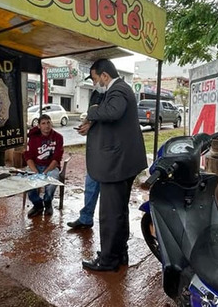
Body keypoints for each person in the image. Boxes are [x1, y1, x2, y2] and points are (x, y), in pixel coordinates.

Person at [80, 58, 147, 272]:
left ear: (105, 75)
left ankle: (109, 259)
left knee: (110, 214)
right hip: (122, 163)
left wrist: (91, 112)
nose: (94, 83)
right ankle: (119, 253)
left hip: (116, 166)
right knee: (118, 212)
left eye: (94, 78)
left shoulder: (117, 90)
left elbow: (113, 112)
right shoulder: (120, 89)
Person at [67, 88, 104, 230]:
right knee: (90, 186)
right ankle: (86, 218)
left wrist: (91, 125)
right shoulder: (97, 92)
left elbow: (107, 120)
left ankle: (107, 230)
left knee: (108, 197)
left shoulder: (115, 95)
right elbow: (92, 116)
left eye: (95, 78)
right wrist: (87, 125)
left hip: (108, 154)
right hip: (95, 152)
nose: (94, 83)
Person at [23, 114, 64, 217]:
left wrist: (45, 172)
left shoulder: (58, 137)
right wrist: (35, 171)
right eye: (43, 123)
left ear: (52, 123)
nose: (46, 126)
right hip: (36, 166)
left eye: (48, 122)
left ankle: (48, 202)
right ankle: (37, 205)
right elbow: (28, 157)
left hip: (51, 167)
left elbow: (57, 158)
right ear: (39, 126)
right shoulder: (33, 138)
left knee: (52, 181)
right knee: (27, 182)